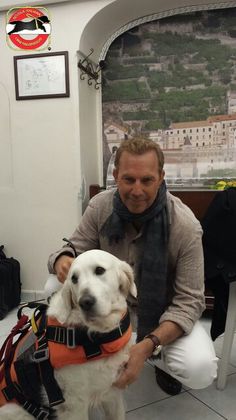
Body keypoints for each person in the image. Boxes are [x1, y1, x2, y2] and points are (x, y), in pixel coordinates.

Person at [47, 138, 218, 395]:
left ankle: (158, 356)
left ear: (161, 177)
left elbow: (190, 302)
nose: (137, 190)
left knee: (200, 368)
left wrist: (148, 345)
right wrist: (62, 260)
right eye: (128, 179)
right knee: (53, 284)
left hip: (161, 314)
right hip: (115, 305)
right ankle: (85, 358)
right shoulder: (100, 207)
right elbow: (71, 248)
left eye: (146, 180)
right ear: (116, 176)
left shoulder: (186, 227)